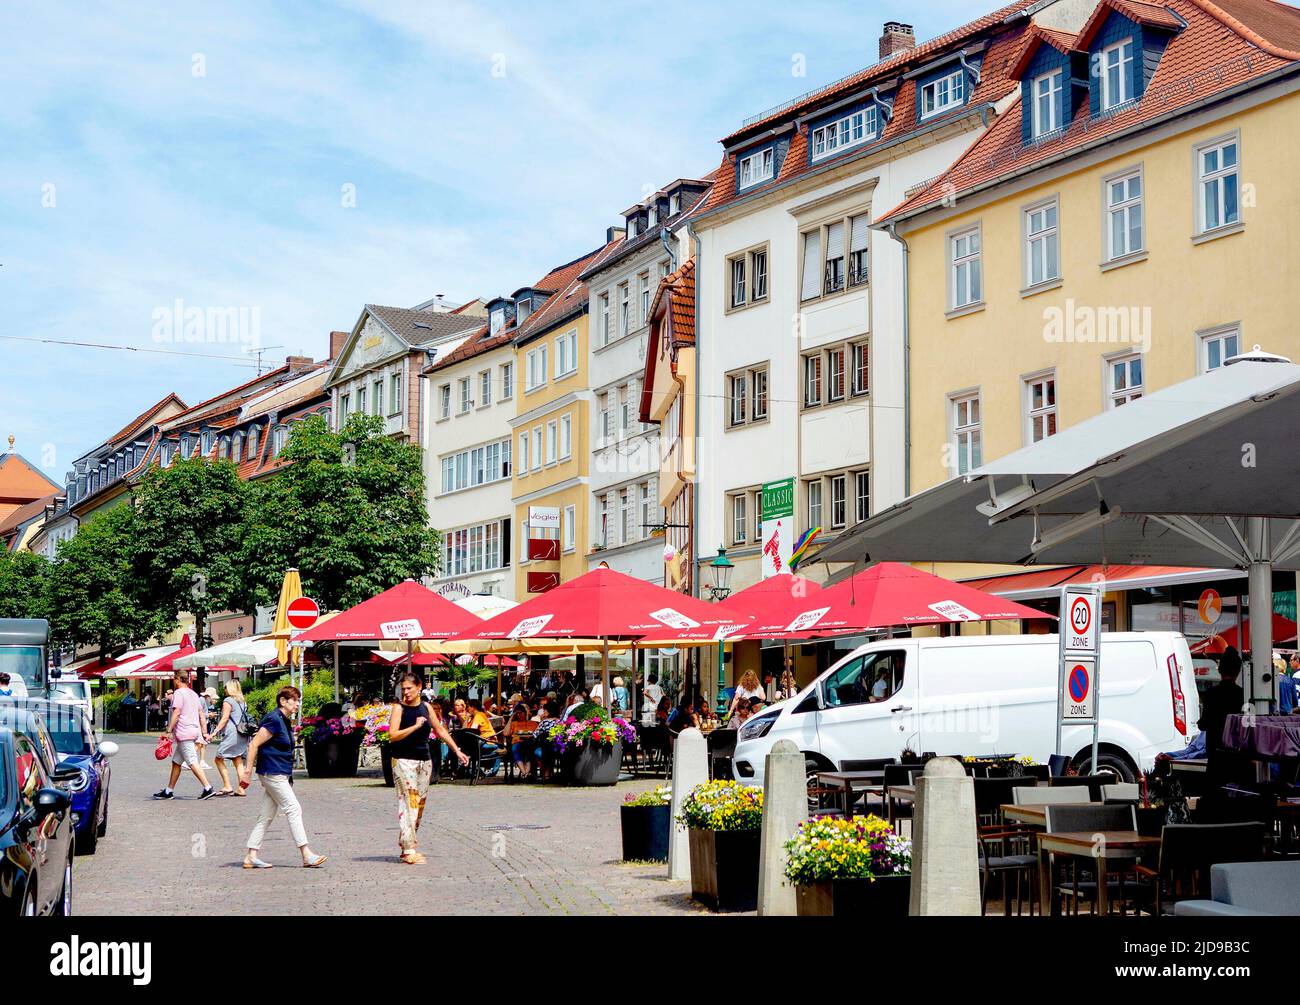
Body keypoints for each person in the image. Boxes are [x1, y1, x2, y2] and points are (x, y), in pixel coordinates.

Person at [239, 686, 326, 869]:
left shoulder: (283, 720)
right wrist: (247, 771)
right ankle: (306, 854)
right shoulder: (273, 719)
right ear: (283, 701)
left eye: (297, 700)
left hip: (279, 772)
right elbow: (254, 744)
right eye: (293, 700)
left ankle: (251, 855)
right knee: (293, 808)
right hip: (272, 772)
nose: (297, 704)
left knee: (266, 815)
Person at [387, 671, 469, 864]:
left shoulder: (426, 707)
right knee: (409, 802)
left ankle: (406, 839)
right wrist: (414, 727)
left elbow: (440, 729)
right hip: (403, 760)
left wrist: (456, 750)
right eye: (403, 689)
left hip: (424, 761)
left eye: (409, 688)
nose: (405, 692)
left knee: (419, 804)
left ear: (419, 688)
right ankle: (409, 849)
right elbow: (392, 735)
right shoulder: (399, 708)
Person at [154, 669, 215, 800]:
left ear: (177, 679)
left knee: (192, 761)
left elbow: (177, 712)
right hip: (194, 730)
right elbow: (201, 715)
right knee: (176, 762)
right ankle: (169, 790)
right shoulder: (193, 694)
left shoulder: (179, 693)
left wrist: (169, 730)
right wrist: (204, 732)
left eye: (174, 679)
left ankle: (208, 787)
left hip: (184, 731)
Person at [1199, 646, 1247, 788]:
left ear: (1220, 670)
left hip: (1216, 756)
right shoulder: (1243, 696)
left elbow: (1204, 724)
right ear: (1238, 671)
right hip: (1238, 757)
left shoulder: (1210, 694)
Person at [211, 680, 251, 796]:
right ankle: (241, 788)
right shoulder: (243, 701)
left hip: (232, 732)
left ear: (230, 688)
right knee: (237, 759)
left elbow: (224, 719)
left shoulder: (228, 701)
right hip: (243, 732)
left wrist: (215, 732)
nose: (224, 690)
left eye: (225, 687)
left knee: (218, 758)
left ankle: (227, 785)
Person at [465, 698, 500, 776]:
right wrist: (467, 718)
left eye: (468, 707)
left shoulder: (479, 715)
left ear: (473, 707)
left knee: (466, 748)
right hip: (481, 741)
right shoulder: (473, 717)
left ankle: (470, 769)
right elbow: (465, 729)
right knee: (464, 748)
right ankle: (470, 769)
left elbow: (472, 730)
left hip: (488, 742)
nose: (466, 709)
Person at [503, 703, 536, 779]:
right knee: (515, 748)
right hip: (517, 742)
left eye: (520, 713)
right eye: (517, 714)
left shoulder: (533, 723)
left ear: (525, 713)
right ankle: (525, 773)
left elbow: (537, 733)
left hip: (530, 743)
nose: (519, 715)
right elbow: (506, 733)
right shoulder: (514, 724)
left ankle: (526, 773)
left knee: (529, 747)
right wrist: (511, 717)